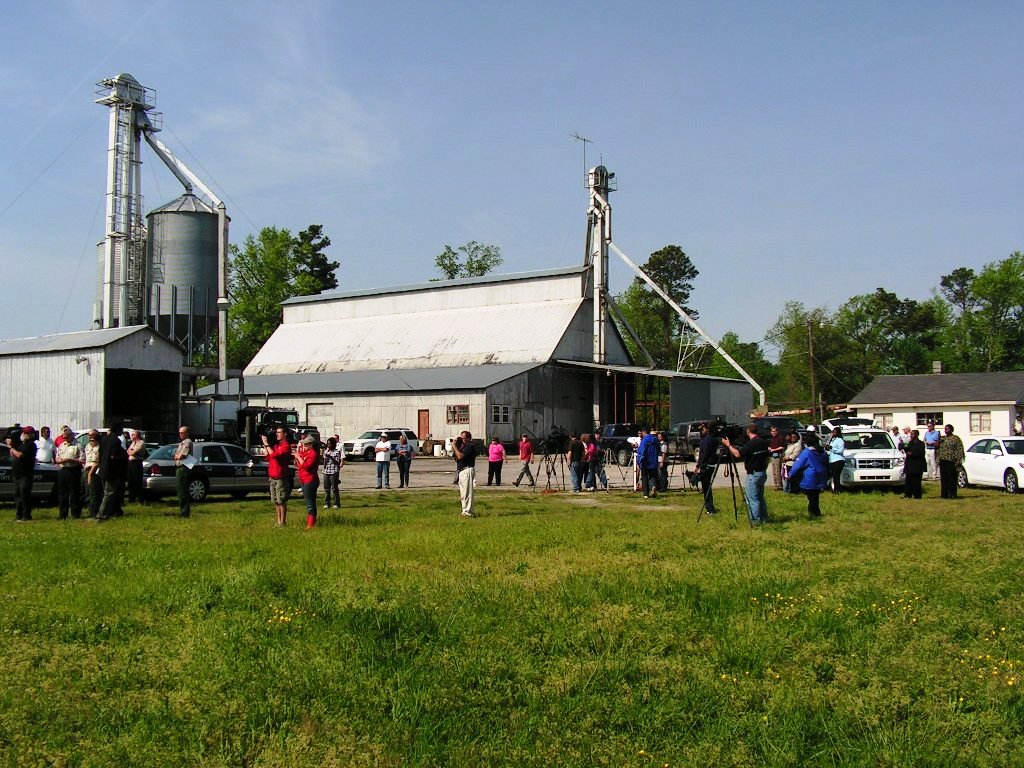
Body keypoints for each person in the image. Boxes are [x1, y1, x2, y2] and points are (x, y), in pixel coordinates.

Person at [722, 424, 770, 524]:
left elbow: (737, 454)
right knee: (760, 497)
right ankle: (764, 518)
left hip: (753, 474)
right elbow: (767, 458)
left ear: (748, 431)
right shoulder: (763, 442)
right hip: (762, 472)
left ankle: (756, 521)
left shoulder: (752, 443)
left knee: (752, 498)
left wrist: (728, 445)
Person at [789, 432, 829, 518]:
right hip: (821, 476)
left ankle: (813, 513)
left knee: (811, 497)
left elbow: (798, 464)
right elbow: (826, 462)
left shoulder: (806, 452)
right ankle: (816, 512)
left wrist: (790, 474)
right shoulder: (822, 452)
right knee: (815, 496)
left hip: (810, 477)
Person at [96, 421, 128, 522]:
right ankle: (102, 515)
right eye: (121, 429)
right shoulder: (116, 440)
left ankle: (115, 511)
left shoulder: (104, 439)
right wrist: (124, 455)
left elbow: (100, 455)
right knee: (109, 493)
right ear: (117, 429)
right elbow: (113, 456)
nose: (122, 431)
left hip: (103, 470)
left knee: (107, 493)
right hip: (112, 471)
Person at [6, 426, 37, 522]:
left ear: (31, 435)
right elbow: (13, 454)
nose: (23, 435)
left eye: (26, 433)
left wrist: (11, 447)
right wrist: (10, 446)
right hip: (17, 474)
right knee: (18, 496)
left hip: (25, 474)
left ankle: (26, 515)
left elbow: (20, 455)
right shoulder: (22, 444)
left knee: (24, 495)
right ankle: (19, 515)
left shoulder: (31, 445)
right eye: (24, 433)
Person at [263, 427, 292, 526]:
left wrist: (267, 444)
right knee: (275, 500)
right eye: (277, 432)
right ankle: (278, 520)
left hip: (280, 476)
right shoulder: (276, 445)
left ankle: (283, 521)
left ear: (285, 434)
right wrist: (265, 445)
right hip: (273, 476)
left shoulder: (286, 446)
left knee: (281, 500)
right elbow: (268, 456)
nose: (277, 434)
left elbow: (275, 455)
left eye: (279, 432)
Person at [55, 426, 84, 519]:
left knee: (74, 493)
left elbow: (82, 459)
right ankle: (62, 514)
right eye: (64, 437)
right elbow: (57, 457)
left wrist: (71, 460)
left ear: (71, 435)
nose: (65, 439)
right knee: (62, 494)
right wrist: (60, 461)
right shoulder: (62, 445)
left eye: (67, 437)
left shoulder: (78, 445)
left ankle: (75, 514)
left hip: (73, 470)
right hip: (63, 470)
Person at [294, 434, 321, 529]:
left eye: (305, 445)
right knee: (309, 502)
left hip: (310, 480)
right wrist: (297, 457)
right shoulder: (305, 453)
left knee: (310, 504)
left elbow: (306, 466)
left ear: (311, 445)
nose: (303, 447)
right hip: (305, 480)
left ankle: (310, 524)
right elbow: (299, 465)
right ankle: (311, 522)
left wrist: (299, 457)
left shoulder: (313, 454)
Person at [695, 422, 720, 514]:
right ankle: (709, 507)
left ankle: (710, 508)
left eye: (703, 429)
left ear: (708, 430)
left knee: (706, 487)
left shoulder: (707, 440)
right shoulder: (714, 439)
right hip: (712, 464)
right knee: (707, 486)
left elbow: (704, 455)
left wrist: (698, 466)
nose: (702, 431)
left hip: (706, 465)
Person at [451, 431, 478, 517]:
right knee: (463, 493)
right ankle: (465, 510)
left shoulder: (470, 446)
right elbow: (456, 458)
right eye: (461, 438)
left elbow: (460, 456)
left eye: (463, 438)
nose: (462, 440)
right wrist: (455, 447)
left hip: (467, 470)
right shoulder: (462, 447)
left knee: (467, 493)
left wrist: (454, 446)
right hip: (461, 471)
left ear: (468, 438)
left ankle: (468, 511)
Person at [936, 424, 965, 499]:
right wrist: (938, 440)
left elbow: (960, 449)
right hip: (943, 460)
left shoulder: (956, 438)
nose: (946, 430)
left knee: (952, 478)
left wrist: (958, 459)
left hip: (951, 461)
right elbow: (936, 447)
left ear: (952, 430)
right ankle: (944, 494)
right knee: (944, 479)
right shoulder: (942, 438)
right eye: (945, 429)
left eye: (947, 429)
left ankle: (952, 494)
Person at [172, 425, 194, 519]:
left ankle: (185, 513)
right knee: (180, 491)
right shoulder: (182, 443)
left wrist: (178, 456)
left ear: (187, 433)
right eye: (180, 432)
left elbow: (182, 456)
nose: (180, 434)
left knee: (183, 491)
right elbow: (175, 455)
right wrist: (177, 455)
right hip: (179, 467)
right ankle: (182, 512)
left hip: (183, 468)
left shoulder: (188, 442)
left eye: (182, 432)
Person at [637, 428, 661, 499]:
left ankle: (646, 493)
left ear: (644, 432)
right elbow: (658, 449)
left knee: (644, 477)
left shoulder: (645, 440)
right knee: (652, 476)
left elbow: (641, 451)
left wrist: (638, 461)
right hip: (653, 461)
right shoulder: (655, 439)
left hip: (645, 461)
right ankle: (653, 486)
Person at [83, 429, 102, 518]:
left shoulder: (99, 447)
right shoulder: (87, 446)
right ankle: (90, 512)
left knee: (94, 493)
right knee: (87, 493)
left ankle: (95, 513)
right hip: (86, 470)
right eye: (89, 437)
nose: (90, 439)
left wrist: (90, 474)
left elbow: (96, 462)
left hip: (94, 471)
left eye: (92, 438)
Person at [126, 429, 148, 504]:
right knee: (130, 481)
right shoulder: (132, 443)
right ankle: (131, 498)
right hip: (130, 463)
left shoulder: (141, 443)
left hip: (137, 463)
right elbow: (128, 451)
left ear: (137, 435)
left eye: (132, 435)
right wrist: (131, 451)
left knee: (137, 481)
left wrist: (132, 451)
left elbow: (134, 452)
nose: (131, 436)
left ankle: (140, 499)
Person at [903, 429, 926, 499]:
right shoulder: (910, 443)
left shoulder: (921, 443)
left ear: (916, 435)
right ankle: (908, 495)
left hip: (917, 465)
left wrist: (912, 454)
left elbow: (921, 453)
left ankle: (917, 495)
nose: (911, 436)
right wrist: (904, 447)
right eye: (911, 434)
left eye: (912, 434)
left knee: (916, 481)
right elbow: (906, 449)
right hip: (909, 465)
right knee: (908, 481)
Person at [322, 436, 343, 508]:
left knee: (334, 489)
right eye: (327, 444)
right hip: (326, 471)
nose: (328, 445)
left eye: (330, 444)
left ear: (333, 444)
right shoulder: (326, 451)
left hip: (334, 472)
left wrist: (330, 457)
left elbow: (337, 462)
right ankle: (327, 503)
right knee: (326, 489)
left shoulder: (336, 452)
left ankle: (336, 503)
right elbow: (323, 461)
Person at [826, 426, 846, 493]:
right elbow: (830, 450)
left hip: (838, 460)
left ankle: (838, 490)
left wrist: (832, 448)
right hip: (832, 460)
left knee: (836, 476)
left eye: (834, 432)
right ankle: (836, 489)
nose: (833, 433)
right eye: (832, 432)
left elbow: (840, 451)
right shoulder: (833, 440)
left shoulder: (840, 440)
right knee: (834, 476)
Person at [767, 426, 785, 491]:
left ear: (777, 431)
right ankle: (775, 485)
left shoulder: (780, 437)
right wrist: (769, 448)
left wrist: (774, 449)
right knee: (774, 472)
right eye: (772, 431)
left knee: (778, 471)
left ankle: (779, 486)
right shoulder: (772, 439)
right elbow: (770, 447)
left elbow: (782, 447)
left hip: (778, 456)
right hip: (773, 456)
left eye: (774, 431)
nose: (773, 432)